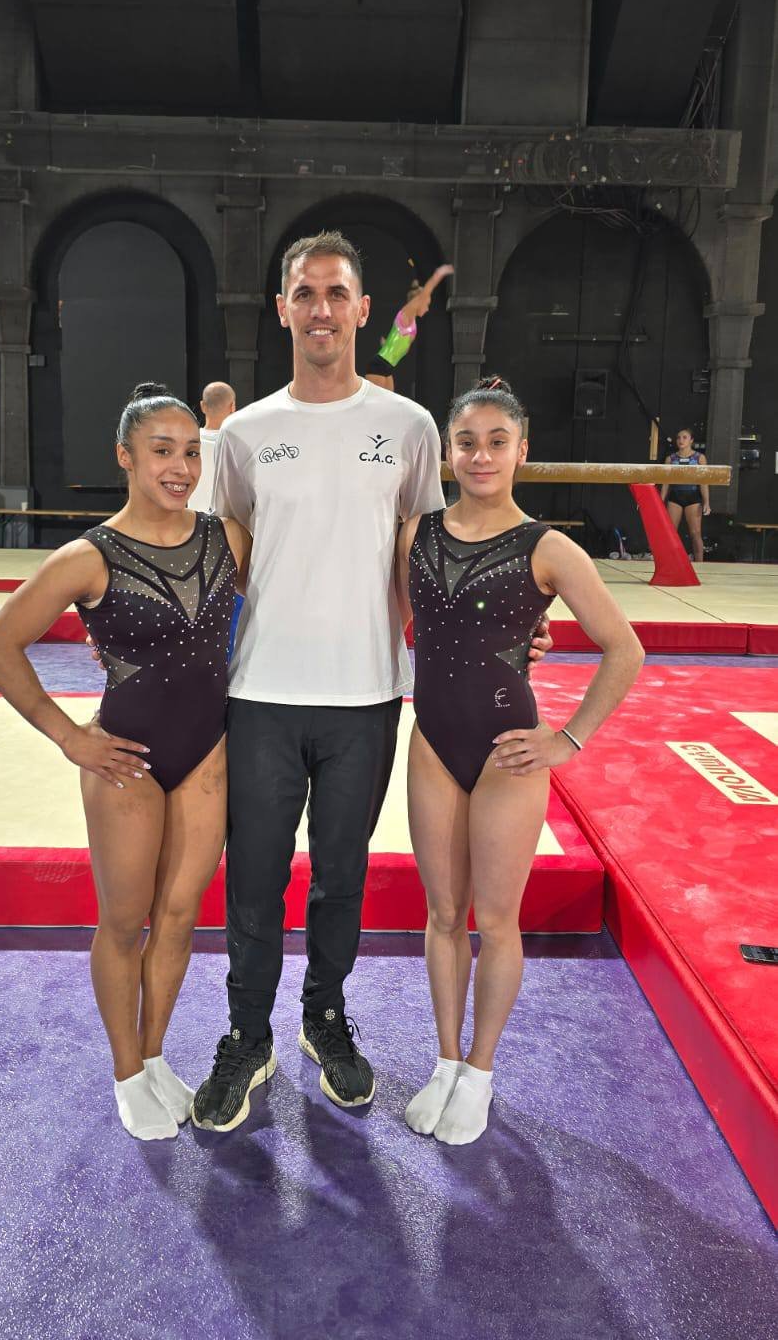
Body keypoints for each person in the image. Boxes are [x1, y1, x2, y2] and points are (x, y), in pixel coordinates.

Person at [190, 232, 553, 1134]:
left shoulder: (412, 429)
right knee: (255, 879)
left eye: (336, 293)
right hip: (264, 689)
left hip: (367, 694)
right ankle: (246, 1033)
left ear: (361, 311)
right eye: (304, 293)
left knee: (340, 877)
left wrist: (508, 636)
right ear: (283, 309)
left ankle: (323, 1016)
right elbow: (218, 550)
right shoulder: (245, 433)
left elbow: (440, 556)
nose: (320, 308)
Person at [0, 383, 251, 1142]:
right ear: (125, 456)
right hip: (125, 758)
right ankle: (127, 1070)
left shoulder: (226, 539)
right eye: (162, 451)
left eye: (192, 451)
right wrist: (68, 735)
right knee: (125, 921)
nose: (180, 466)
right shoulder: (88, 555)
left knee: (180, 914)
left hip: (206, 752)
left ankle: (157, 1054)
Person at [396, 377, 644, 1146]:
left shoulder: (548, 546)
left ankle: (480, 1069)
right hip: (433, 741)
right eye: (466, 441)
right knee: (442, 915)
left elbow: (624, 649)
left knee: (495, 920)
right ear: (448, 451)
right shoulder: (415, 534)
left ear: (521, 451)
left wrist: (566, 739)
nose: (480, 455)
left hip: (510, 750)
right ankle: (443, 1060)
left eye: (496, 441)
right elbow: (409, 623)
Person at [365, 262, 454, 391]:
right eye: (426, 304)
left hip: (387, 367)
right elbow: (425, 293)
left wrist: (389, 344)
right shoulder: (406, 316)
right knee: (377, 406)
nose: (427, 308)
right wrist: (439, 274)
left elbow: (400, 346)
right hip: (378, 366)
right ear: (418, 302)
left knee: (390, 406)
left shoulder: (411, 323)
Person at [660, 428, 710, 563]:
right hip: (675, 497)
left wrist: (706, 502)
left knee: (695, 534)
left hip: (693, 498)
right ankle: (668, 563)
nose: (681, 440)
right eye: (678, 438)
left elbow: (703, 482)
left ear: (691, 440)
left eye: (684, 437)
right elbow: (666, 483)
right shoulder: (670, 459)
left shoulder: (699, 458)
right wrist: (660, 501)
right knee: (671, 534)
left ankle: (700, 564)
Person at [188, 380, 236, 513]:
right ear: (232, 407)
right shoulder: (240, 446)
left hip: (193, 524)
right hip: (227, 526)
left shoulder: (187, 443)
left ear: (202, 406)